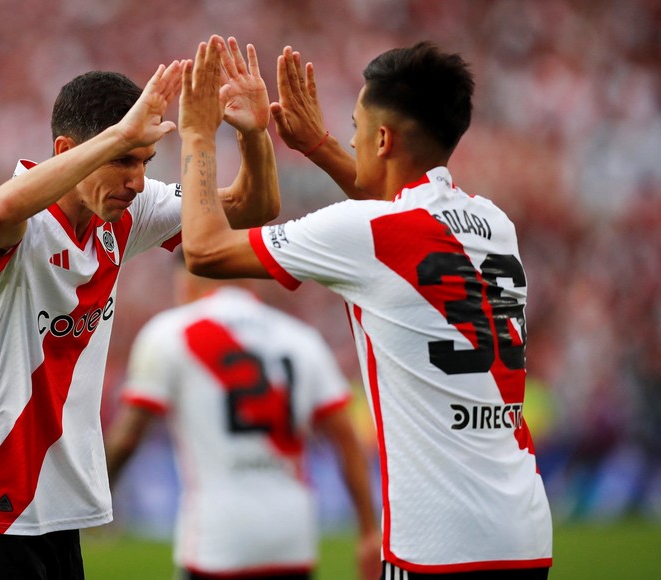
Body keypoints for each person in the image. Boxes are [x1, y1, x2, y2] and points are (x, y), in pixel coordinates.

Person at [177, 36, 553, 579]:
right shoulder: (496, 224)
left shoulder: (367, 232)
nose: (349, 140)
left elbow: (205, 250)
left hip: (435, 546)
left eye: (354, 129)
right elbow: (396, 222)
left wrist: (197, 134)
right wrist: (316, 144)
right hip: (524, 532)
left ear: (381, 138)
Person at [0, 35, 280, 580]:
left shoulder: (125, 215)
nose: (137, 181)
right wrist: (120, 134)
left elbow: (250, 209)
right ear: (68, 152)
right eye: (122, 161)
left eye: (144, 161)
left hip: (59, 514)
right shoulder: (16, 216)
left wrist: (254, 137)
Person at [104, 257, 382, 580]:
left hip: (218, 538)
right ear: (249, 278)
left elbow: (128, 436)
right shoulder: (300, 338)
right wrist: (367, 528)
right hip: (291, 538)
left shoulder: (171, 334)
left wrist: (98, 497)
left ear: (186, 280)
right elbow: (346, 439)